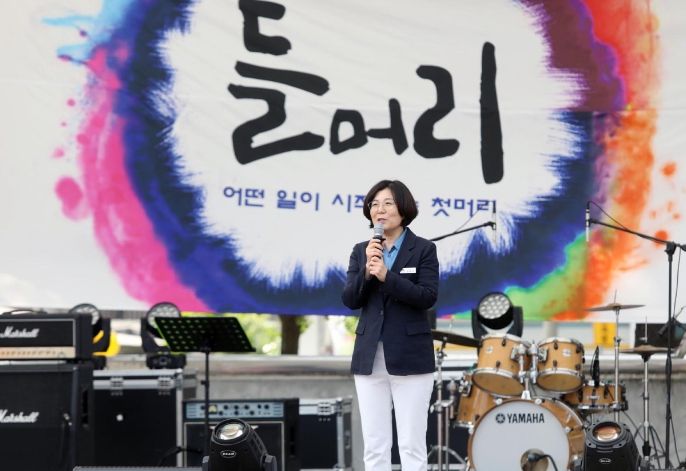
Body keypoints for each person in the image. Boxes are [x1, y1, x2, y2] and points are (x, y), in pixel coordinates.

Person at [342, 179, 439, 471]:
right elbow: (350, 299)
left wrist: (387, 275)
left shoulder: (423, 249)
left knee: (411, 445)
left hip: (411, 356)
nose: (379, 210)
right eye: (374, 204)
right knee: (375, 446)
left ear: (403, 209)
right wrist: (368, 271)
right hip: (369, 357)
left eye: (387, 203)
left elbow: (427, 297)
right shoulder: (362, 250)